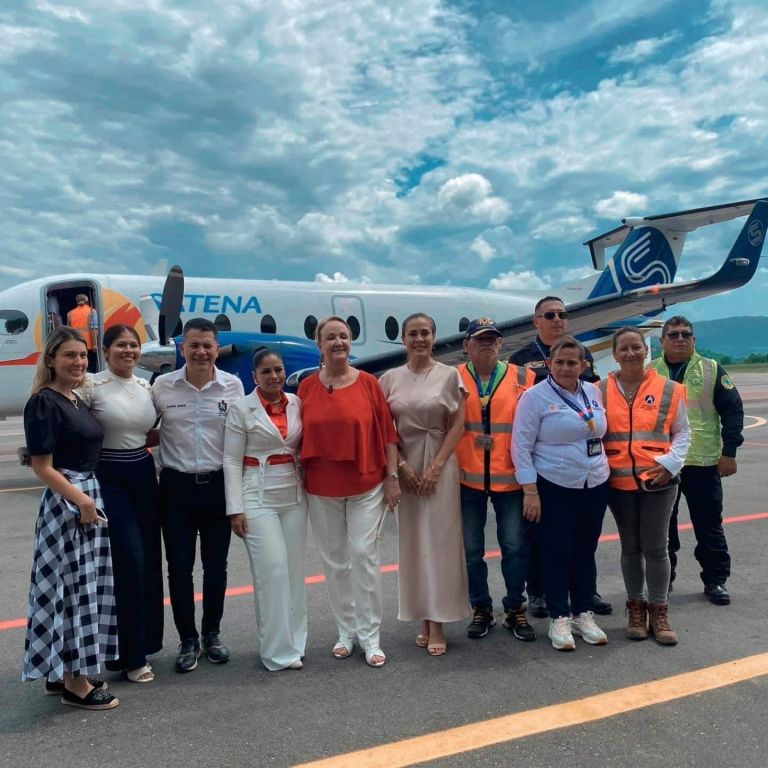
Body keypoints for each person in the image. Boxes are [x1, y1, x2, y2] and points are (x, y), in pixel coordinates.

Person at [22, 327, 119, 710]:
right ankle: (74, 684)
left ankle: (63, 668)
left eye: (82, 356)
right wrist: (82, 502)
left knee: (80, 588)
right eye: (69, 356)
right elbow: (42, 467)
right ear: (51, 360)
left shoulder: (75, 399)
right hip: (70, 502)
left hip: (84, 497)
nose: (78, 362)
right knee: (73, 591)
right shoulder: (44, 402)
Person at [298, 316, 399, 668]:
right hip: (321, 486)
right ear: (319, 344)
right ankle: (346, 631)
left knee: (363, 555)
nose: (338, 342)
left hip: (366, 483)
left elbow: (388, 433)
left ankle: (371, 636)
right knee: (335, 562)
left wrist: (393, 477)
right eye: (330, 337)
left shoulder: (369, 383)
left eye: (343, 336)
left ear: (350, 342)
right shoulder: (307, 387)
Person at [152, 317, 245, 673]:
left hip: (218, 487)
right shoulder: (162, 386)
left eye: (208, 345)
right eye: (194, 345)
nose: (202, 351)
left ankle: (212, 634)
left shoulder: (233, 387)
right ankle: (187, 639)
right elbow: (142, 426)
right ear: (182, 348)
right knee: (178, 568)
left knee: (216, 567)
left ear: (216, 348)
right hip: (175, 489)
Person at [509, 295, 610, 618]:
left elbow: (590, 403)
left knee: (584, 542)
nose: (557, 319)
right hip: (548, 470)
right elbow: (521, 427)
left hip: (590, 472)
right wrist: (528, 486)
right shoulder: (520, 358)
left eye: (562, 314)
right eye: (549, 314)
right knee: (544, 541)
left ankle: (584, 595)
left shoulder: (584, 355)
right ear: (535, 320)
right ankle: (540, 593)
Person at [78, 324, 164, 682]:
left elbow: (151, 431)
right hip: (109, 479)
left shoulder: (147, 387)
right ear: (107, 349)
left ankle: (144, 643)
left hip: (144, 475)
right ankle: (129, 656)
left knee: (148, 565)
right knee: (127, 563)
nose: (128, 351)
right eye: (121, 346)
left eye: (134, 345)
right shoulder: (91, 386)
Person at [379, 313, 469, 656]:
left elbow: (458, 424)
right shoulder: (389, 379)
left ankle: (438, 620)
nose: (419, 339)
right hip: (404, 464)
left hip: (439, 466)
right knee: (414, 544)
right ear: (403, 339)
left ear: (434, 337)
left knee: (441, 545)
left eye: (425, 333)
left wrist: (436, 468)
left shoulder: (450, 375)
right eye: (413, 333)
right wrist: (401, 467)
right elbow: (384, 429)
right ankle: (421, 614)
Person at [601, 328, 691, 645]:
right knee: (630, 548)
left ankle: (659, 610)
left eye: (636, 347)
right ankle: (635, 607)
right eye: (623, 348)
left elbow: (683, 433)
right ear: (614, 354)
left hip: (659, 480)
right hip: (618, 481)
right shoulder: (599, 390)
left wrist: (670, 464)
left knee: (656, 548)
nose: (630, 353)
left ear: (646, 350)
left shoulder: (669, 390)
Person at [649, 316, 744, 605]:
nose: (680, 339)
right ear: (662, 340)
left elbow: (733, 411)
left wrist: (729, 452)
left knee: (709, 525)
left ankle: (716, 581)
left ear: (694, 340)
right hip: (663, 464)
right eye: (674, 334)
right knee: (663, 528)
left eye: (686, 335)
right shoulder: (650, 372)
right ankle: (665, 579)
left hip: (702, 463)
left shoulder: (711, 369)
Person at [223, 347, 307, 671]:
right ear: (254, 376)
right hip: (255, 493)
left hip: (294, 493)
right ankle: (276, 651)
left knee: (294, 571)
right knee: (272, 571)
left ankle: (296, 642)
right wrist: (235, 509)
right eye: (266, 372)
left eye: (278, 370)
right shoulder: (240, 408)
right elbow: (230, 459)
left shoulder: (296, 402)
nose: (274, 377)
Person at [455, 317, 537, 643]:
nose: (487, 343)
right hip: (468, 480)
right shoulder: (453, 378)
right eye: (480, 339)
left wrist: (532, 485)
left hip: (511, 480)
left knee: (515, 547)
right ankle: (481, 608)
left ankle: (516, 607)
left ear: (501, 344)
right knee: (472, 550)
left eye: (493, 338)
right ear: (466, 345)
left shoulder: (524, 377)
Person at [66, 294, 100, 372]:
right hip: (89, 344)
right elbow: (94, 328)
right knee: (90, 367)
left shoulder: (70, 313)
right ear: (87, 301)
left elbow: (68, 330)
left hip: (74, 343)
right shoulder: (92, 311)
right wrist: (95, 344)